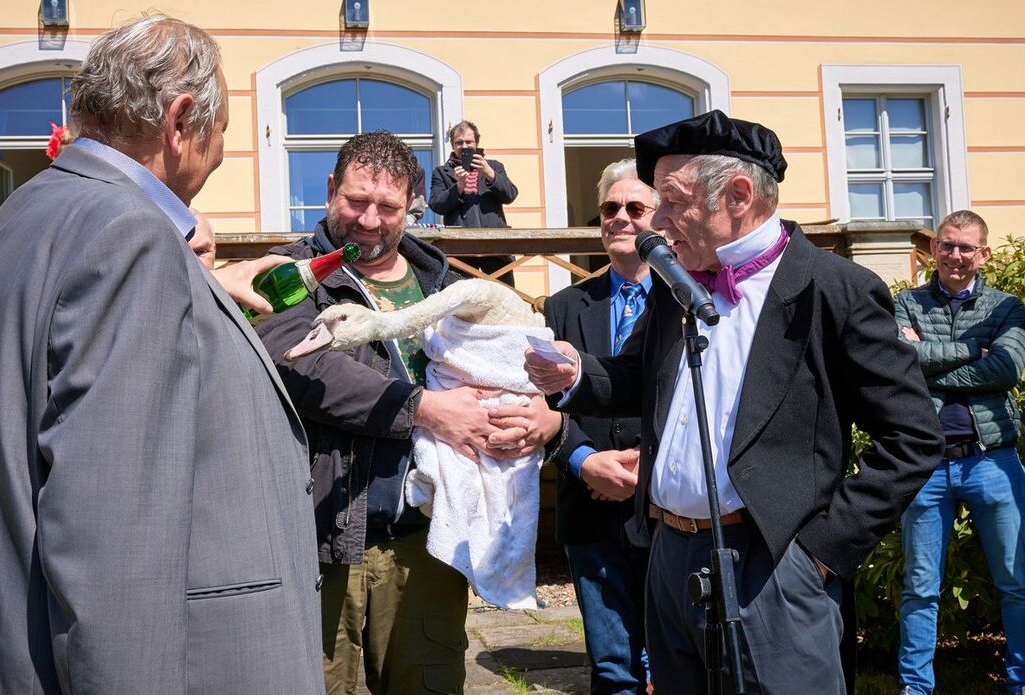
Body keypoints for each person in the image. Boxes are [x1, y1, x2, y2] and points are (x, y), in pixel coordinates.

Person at [525, 110, 944, 694]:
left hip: (773, 565)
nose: (658, 225)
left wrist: (820, 552)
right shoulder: (679, 281)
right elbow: (640, 376)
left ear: (739, 195)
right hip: (669, 557)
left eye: (671, 203)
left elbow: (914, 437)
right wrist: (574, 374)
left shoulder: (833, 289)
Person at [0, 15, 323, 695]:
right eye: (222, 130)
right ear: (181, 120)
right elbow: (113, 543)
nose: (222, 151)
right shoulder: (131, 239)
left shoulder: (18, 217)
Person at [255, 130, 561, 695]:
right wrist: (423, 408)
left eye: (387, 207)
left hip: (425, 543)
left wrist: (549, 419)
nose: (369, 220)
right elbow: (299, 369)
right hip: (324, 542)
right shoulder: (295, 274)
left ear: (413, 205)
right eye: (355, 201)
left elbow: (512, 364)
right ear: (329, 191)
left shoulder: (442, 281)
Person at [894, 210, 1025, 695]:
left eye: (966, 247)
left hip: (993, 461)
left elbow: (1006, 370)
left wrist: (929, 356)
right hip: (926, 463)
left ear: (983, 253)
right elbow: (900, 364)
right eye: (947, 245)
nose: (955, 255)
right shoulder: (905, 304)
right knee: (920, 590)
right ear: (932, 249)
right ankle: (916, 689)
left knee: (1017, 584)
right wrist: (975, 351)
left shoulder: (1006, 306)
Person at [542, 159, 654, 695]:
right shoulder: (564, 306)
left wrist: (642, 468)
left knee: (679, 663)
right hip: (587, 506)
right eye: (611, 208)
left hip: (667, 507)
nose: (621, 218)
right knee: (613, 670)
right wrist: (586, 460)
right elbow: (539, 404)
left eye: (636, 208)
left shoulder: (687, 304)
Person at [429, 119, 519, 285]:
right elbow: (436, 205)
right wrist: (459, 186)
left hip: (496, 247)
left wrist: (489, 173)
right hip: (460, 251)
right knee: (464, 303)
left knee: (503, 297)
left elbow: (511, 195)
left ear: (477, 143)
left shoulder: (494, 166)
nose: (464, 146)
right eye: (459, 142)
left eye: (468, 142)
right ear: (452, 145)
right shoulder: (441, 172)